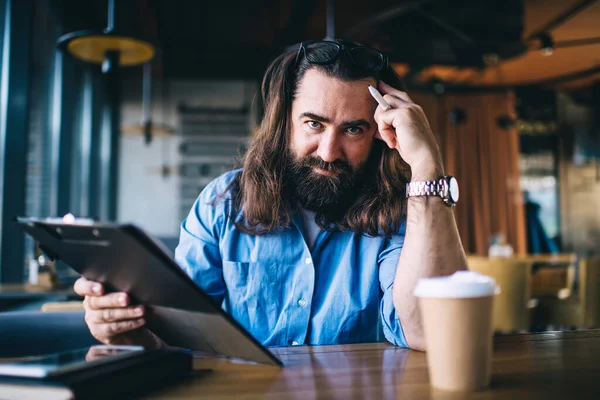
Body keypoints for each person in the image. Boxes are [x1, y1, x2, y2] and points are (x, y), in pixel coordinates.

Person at [74, 40, 467, 351]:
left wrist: (427, 165)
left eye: (353, 130)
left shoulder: (401, 213)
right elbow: (181, 336)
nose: (329, 151)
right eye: (314, 123)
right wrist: (128, 331)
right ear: (284, 122)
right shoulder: (223, 203)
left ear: (379, 136)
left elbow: (429, 332)